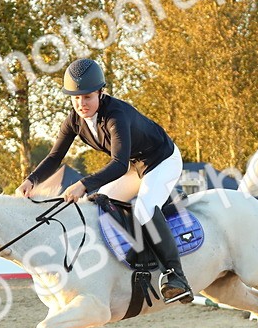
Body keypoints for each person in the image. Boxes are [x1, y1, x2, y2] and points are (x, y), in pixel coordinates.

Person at [16, 58, 193, 303]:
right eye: (75, 98)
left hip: (162, 160)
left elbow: (118, 164)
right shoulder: (74, 121)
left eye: (87, 97)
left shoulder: (116, 115)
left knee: (143, 209)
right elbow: (55, 156)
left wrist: (82, 183)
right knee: (98, 203)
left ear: (101, 92)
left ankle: (176, 276)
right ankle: (129, 260)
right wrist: (32, 180)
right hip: (135, 167)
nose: (81, 104)